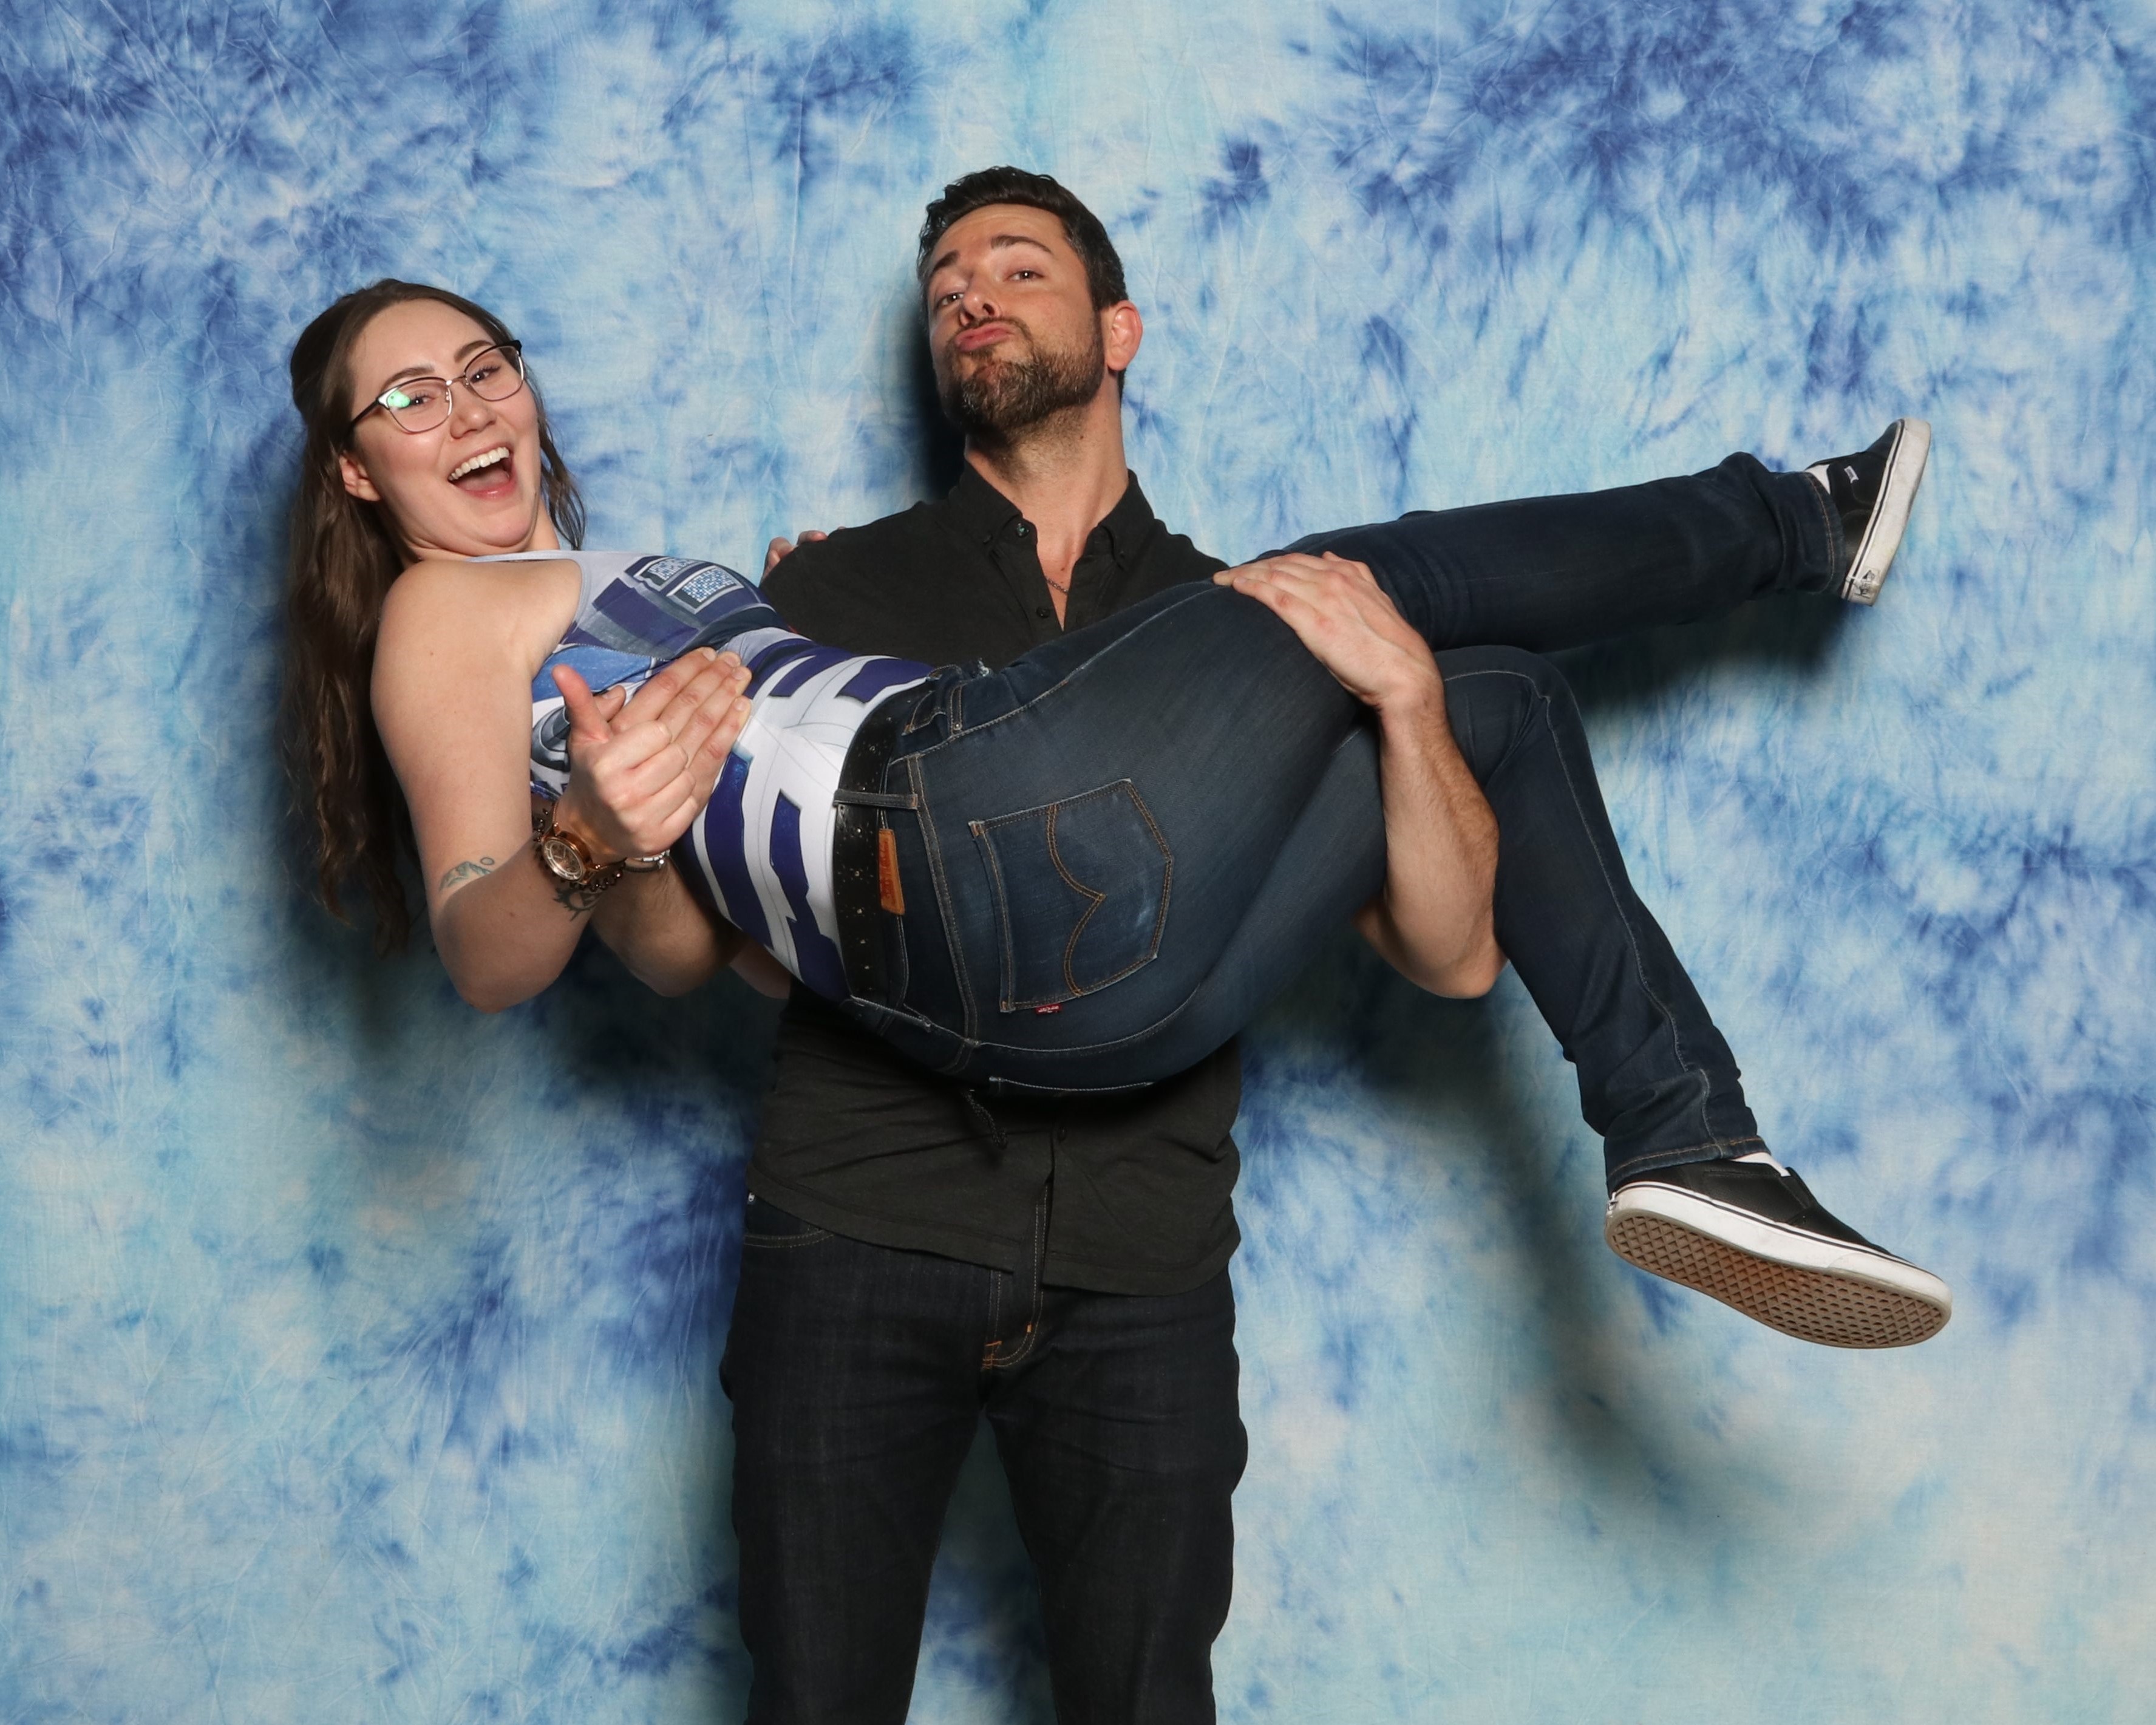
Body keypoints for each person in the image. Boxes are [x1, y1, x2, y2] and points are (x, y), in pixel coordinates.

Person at [283, 176, 1944, 1720]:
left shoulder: (703, 583)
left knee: (1476, 685)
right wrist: (595, 839)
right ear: (358, 469)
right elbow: (495, 945)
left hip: (1108, 1023)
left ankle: (1690, 1139)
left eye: (482, 366)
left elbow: (1445, 956)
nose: (465, 408)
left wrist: (1402, 697)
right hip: (932, 897)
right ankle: (1792, 524)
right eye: (408, 396)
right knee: (1365, 579)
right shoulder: (450, 611)